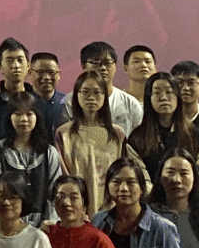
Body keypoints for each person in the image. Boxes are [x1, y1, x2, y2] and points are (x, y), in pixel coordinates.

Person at [59, 68, 140, 217]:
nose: (91, 97)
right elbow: (63, 174)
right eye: (85, 92)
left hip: (111, 210)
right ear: (76, 95)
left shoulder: (116, 134)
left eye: (97, 92)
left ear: (104, 96)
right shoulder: (64, 133)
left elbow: (122, 171)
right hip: (75, 210)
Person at [126, 72, 197, 174]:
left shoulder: (194, 136)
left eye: (169, 92)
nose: (163, 97)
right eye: (157, 92)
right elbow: (138, 174)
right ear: (149, 98)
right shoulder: (137, 139)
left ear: (178, 96)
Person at [80, 40, 144, 132]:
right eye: (96, 63)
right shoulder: (70, 102)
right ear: (83, 66)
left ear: (115, 66)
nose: (103, 68)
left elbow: (139, 138)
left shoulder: (131, 103)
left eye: (108, 63)